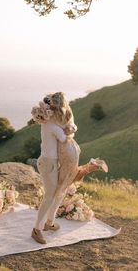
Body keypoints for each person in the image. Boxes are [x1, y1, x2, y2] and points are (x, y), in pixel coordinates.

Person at [31, 92, 108, 245]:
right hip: (48, 163)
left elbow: (70, 127)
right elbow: (64, 137)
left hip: (53, 162)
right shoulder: (51, 125)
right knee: (50, 196)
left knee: (60, 193)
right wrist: (70, 128)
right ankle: (36, 230)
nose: (59, 113)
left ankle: (49, 222)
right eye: (57, 110)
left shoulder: (52, 122)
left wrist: (71, 127)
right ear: (52, 110)